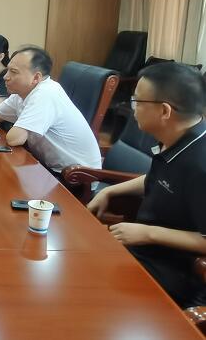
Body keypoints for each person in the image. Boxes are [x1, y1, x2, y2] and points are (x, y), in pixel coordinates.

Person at [87, 62, 206, 308]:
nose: (133, 109)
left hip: (171, 273)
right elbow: (160, 177)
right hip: (142, 251)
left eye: (138, 102)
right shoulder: (178, 137)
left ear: (164, 111)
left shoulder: (200, 165)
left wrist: (147, 233)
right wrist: (111, 191)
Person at [0, 46, 101, 173]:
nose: (5, 77)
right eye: (7, 70)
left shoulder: (46, 93)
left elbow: (14, 139)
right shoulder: (21, 92)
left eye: (13, 72)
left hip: (78, 175)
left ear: (36, 78)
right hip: (48, 167)